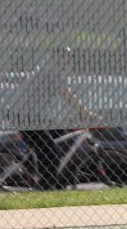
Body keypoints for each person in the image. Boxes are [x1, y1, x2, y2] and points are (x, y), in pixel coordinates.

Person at [13, 47, 101, 190]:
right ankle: (46, 186)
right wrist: (86, 112)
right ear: (59, 58)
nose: (68, 61)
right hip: (26, 116)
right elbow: (67, 94)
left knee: (60, 136)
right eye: (66, 57)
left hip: (34, 116)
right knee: (50, 150)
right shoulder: (52, 71)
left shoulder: (50, 69)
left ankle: (52, 177)